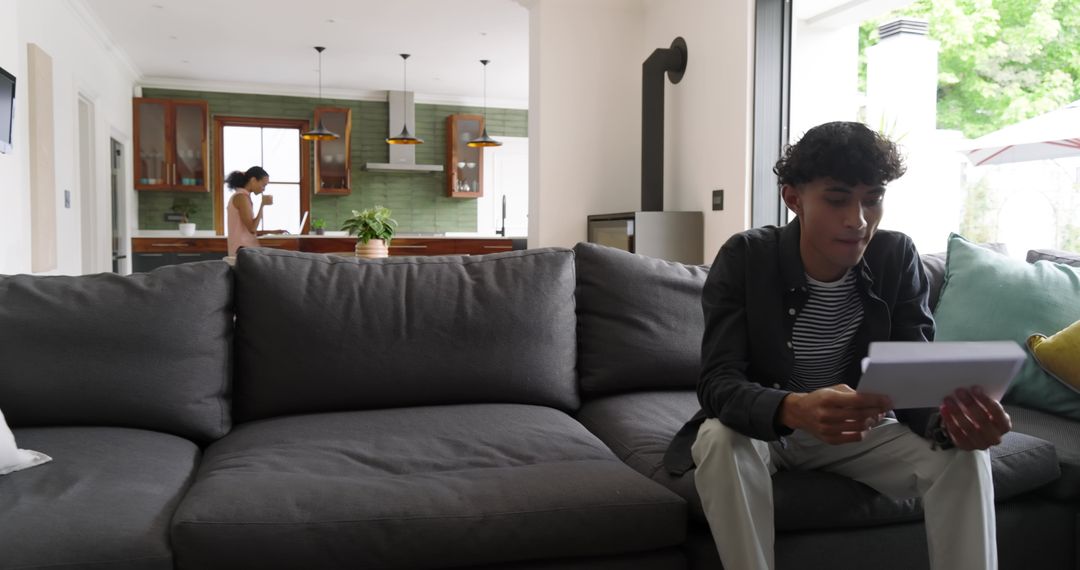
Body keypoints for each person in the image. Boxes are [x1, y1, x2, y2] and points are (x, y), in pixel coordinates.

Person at [663, 121, 1010, 570]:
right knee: (718, 438)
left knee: (964, 455)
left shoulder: (896, 256)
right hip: (769, 429)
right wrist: (793, 408)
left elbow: (912, 382)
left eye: (873, 199)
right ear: (794, 199)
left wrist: (955, 424)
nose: (858, 219)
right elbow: (717, 382)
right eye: (837, 199)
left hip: (860, 431)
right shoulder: (747, 257)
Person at [225, 166, 281, 258]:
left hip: (243, 250)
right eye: (263, 185)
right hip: (243, 251)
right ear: (253, 180)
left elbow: (247, 229)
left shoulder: (241, 196)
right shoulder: (242, 197)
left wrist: (272, 232)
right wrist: (262, 205)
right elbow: (252, 229)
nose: (264, 189)